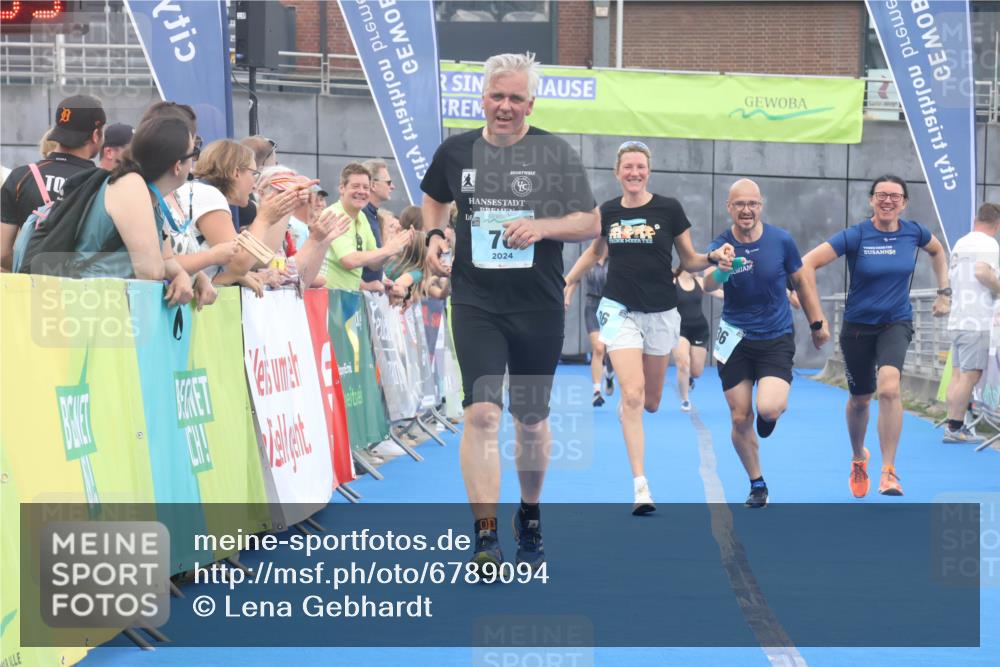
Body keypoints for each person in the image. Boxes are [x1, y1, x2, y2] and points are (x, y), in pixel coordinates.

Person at [421, 52, 600, 569]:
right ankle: (485, 535)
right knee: (480, 413)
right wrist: (434, 234)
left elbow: (590, 221)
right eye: (497, 96)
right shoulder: (456, 151)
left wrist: (542, 227)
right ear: (482, 99)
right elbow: (434, 199)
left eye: (515, 98)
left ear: (530, 104)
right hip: (476, 300)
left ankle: (530, 512)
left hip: (537, 305)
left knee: (530, 420)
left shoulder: (554, 153)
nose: (505, 106)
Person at [564, 140, 734, 515]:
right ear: (617, 172)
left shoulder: (669, 209)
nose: (634, 173)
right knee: (633, 395)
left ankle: (632, 406)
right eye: (628, 167)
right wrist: (569, 281)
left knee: (652, 402)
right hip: (619, 309)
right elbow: (595, 252)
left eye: (640, 167)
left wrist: (712, 257)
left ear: (648, 171)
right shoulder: (608, 211)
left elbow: (689, 260)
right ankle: (641, 486)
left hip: (661, 313)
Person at [801, 174, 949, 498]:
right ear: (871, 200)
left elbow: (938, 251)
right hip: (857, 327)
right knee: (860, 400)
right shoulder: (856, 235)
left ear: (904, 203)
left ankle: (889, 471)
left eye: (895, 196)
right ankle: (858, 457)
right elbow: (806, 264)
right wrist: (816, 318)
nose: (888, 201)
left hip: (896, 322)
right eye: (881, 195)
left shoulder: (914, 232)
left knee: (890, 388)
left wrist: (944, 292)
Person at [705, 178, 828, 508]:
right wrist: (722, 268)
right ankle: (757, 483)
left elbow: (801, 282)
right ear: (729, 207)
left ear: (761, 206)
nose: (746, 210)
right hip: (735, 340)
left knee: (768, 408)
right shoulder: (722, 244)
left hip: (775, 338)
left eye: (752, 204)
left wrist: (817, 323)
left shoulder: (781, 240)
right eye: (739, 204)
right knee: (739, 418)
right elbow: (708, 284)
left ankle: (768, 417)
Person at [71, 115, 199, 307]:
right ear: (177, 165)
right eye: (193, 153)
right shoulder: (131, 184)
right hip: (91, 306)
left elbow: (167, 260)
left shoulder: (150, 194)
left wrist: (183, 276)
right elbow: (150, 271)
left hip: (103, 304)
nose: (195, 161)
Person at [170, 140, 306, 296]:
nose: (255, 184)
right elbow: (239, 263)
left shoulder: (201, 191)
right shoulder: (208, 195)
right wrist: (263, 220)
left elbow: (260, 258)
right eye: (253, 174)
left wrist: (284, 207)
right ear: (236, 172)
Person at [1, 94, 106, 271]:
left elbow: (2, 253)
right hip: (83, 285)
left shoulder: (21, 177)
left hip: (31, 284)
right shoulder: (103, 183)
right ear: (96, 135)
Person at [942, 202, 1000, 443]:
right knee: (970, 376)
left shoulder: (961, 243)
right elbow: (982, 272)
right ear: (997, 224)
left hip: (958, 317)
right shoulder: (989, 243)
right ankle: (955, 428)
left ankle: (953, 423)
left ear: (977, 220)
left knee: (958, 375)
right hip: (977, 319)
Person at [320, 163, 411, 291]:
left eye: (365, 187)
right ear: (342, 188)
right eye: (355, 186)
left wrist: (392, 248)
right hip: (328, 296)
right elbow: (349, 260)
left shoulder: (361, 217)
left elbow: (374, 265)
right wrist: (388, 249)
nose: (361, 191)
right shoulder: (334, 214)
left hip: (348, 296)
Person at [563, 244, 614, 407]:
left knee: (610, 351)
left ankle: (609, 374)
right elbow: (575, 279)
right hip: (592, 306)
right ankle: (597, 391)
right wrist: (567, 297)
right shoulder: (589, 259)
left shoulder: (615, 260)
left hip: (612, 308)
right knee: (598, 348)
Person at [672, 268, 721, 411]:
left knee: (696, 372)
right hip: (679, 330)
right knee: (683, 363)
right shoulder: (673, 282)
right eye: (696, 266)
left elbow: (718, 293)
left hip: (699, 329)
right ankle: (685, 400)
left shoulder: (700, 282)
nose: (699, 270)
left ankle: (689, 378)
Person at [360, 159, 396, 290]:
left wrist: (381, 279)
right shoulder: (361, 214)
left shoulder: (373, 215)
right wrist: (366, 286)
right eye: (388, 182)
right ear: (373, 185)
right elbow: (346, 261)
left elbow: (373, 261)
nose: (392, 187)